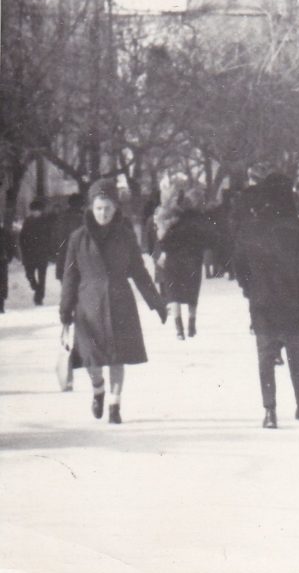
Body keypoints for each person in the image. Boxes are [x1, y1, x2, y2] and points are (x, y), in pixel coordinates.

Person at [59, 179, 167, 424]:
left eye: (108, 208)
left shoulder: (126, 236)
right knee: (91, 358)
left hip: (120, 304)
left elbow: (139, 272)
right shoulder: (78, 238)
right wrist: (65, 312)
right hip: (88, 307)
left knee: (118, 357)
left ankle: (115, 404)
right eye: (98, 208)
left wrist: (157, 302)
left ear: (115, 208)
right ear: (91, 208)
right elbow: (69, 277)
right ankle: (98, 388)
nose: (103, 213)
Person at [233, 173, 299, 429]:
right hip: (292, 300)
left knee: (265, 356)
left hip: (261, 301)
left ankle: (269, 411)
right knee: (296, 353)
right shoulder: (298, 228)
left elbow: (239, 265)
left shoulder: (249, 228)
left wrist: (250, 288)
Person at [153, 186, 215, 340]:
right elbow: (208, 238)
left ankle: (179, 329)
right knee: (192, 293)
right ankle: (192, 325)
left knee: (173, 295)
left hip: (173, 261)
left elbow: (163, 241)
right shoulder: (198, 218)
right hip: (193, 260)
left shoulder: (168, 218)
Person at [19, 198, 52, 305]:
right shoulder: (27, 221)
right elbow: (22, 237)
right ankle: (35, 286)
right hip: (30, 253)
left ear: (41, 211)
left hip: (42, 253)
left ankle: (39, 297)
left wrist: (49, 251)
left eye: (37, 210)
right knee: (29, 275)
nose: (35, 212)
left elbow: (50, 236)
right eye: (33, 210)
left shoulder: (46, 221)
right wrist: (23, 251)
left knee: (42, 277)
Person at [52, 193, 85, 284]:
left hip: (64, 257)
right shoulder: (84, 218)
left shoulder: (62, 217)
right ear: (82, 204)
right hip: (81, 258)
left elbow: (55, 237)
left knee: (67, 288)